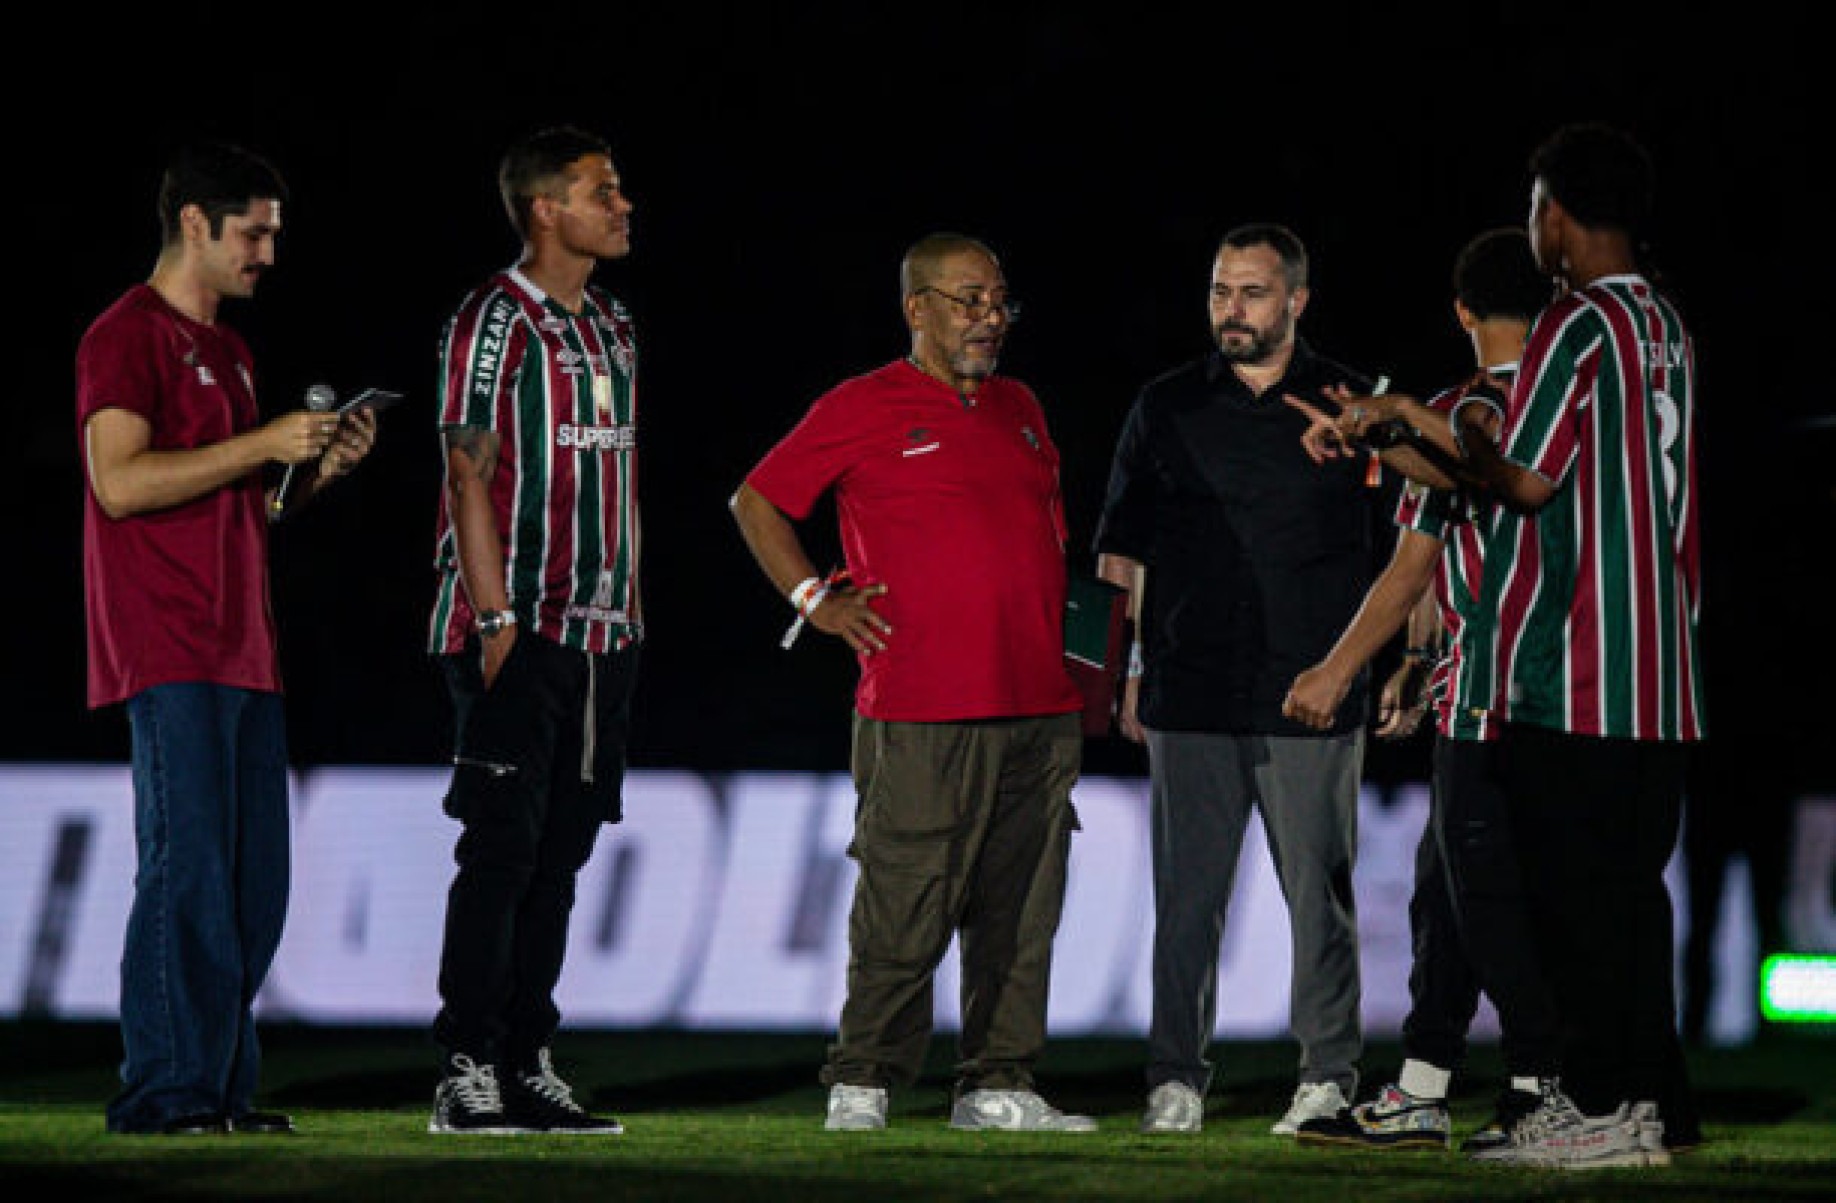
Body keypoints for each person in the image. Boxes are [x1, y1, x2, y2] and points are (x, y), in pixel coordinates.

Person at [1316, 122, 1704, 1168]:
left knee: (1569, 908)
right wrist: (1401, 424)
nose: (1533, 223)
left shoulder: (1577, 325)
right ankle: (1650, 1106)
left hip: (1574, 667)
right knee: (1628, 900)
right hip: (1661, 667)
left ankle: (1595, 1111)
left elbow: (1521, 480)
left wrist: (1414, 426)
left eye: (1537, 204)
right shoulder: (1664, 321)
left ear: (1561, 218)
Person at [730, 232, 1095, 1134]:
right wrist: (816, 598)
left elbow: (1045, 545)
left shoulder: (1022, 405)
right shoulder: (866, 403)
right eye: (968, 300)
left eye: (999, 299)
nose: (988, 317)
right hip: (923, 705)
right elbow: (757, 500)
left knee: (1020, 910)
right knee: (905, 896)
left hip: (1041, 707)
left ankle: (997, 1081)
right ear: (916, 308)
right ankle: (864, 1077)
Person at [78, 140, 376, 1135]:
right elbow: (119, 482)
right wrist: (262, 443)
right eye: (253, 233)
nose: (267, 254)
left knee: (253, 889)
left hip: (243, 647)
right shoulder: (125, 334)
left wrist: (309, 473)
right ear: (195, 224)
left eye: (274, 235)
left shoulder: (234, 352)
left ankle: (220, 1090)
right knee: (189, 870)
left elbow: (233, 502)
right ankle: (164, 1093)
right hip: (167, 646)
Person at [1280, 228, 1584, 1159]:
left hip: (1493, 690)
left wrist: (1337, 669)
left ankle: (1536, 1080)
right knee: (1463, 890)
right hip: (1577, 688)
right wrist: (1415, 659)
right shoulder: (1574, 402)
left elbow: (1414, 566)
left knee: (1471, 890)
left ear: (1461, 312)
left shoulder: (1470, 406)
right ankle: (1441, 1084)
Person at [1093, 223, 1382, 1136]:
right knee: (1186, 901)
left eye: (1253, 293)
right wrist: (1126, 667)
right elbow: (1121, 548)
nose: (1233, 310)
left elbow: (1411, 546)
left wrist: (1394, 661)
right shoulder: (1167, 404)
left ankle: (1327, 1076)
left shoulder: (1354, 404)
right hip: (1189, 686)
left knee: (1320, 897)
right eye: (1221, 291)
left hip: (1313, 688)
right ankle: (1175, 1076)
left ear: (1297, 299)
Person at [425, 126, 640, 1136]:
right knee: (501, 849)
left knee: (561, 855)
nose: (623, 204)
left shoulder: (613, 327)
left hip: (605, 636)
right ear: (545, 208)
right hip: (519, 626)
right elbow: (466, 469)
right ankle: (465, 1063)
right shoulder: (494, 320)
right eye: (603, 190)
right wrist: (492, 609)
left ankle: (524, 1058)